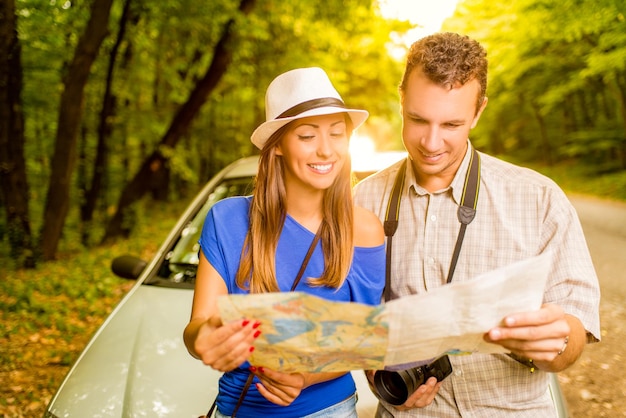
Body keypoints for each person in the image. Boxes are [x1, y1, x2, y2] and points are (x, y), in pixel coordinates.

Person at [353, 32, 601, 417]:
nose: (431, 142)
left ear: (479, 111)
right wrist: (375, 369)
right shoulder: (361, 200)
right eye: (418, 119)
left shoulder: (539, 197)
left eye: (451, 124)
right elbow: (350, 321)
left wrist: (553, 342)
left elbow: (574, 334)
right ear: (401, 99)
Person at [183, 67, 386, 418]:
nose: (326, 150)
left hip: (327, 411)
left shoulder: (364, 228)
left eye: (337, 134)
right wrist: (205, 337)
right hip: (235, 410)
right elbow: (197, 325)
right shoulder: (226, 220)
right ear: (277, 146)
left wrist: (304, 377)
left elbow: (364, 343)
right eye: (307, 136)